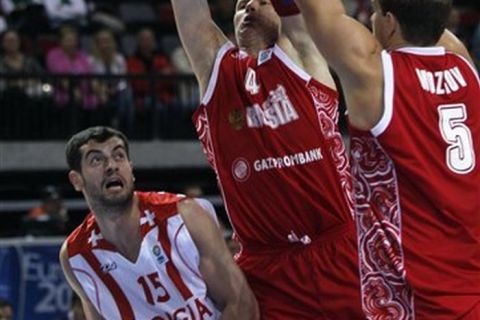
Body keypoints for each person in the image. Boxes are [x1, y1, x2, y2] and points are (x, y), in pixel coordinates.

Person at [171, 0, 363, 318]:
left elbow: (307, 15)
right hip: (267, 268)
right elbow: (190, 12)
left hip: (341, 247)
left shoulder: (303, 57)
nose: (250, 8)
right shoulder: (216, 70)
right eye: (241, 5)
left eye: (261, 2)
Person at [294, 0, 480, 318]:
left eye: (377, 14)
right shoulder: (465, 67)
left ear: (390, 23)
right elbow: (429, 18)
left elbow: (323, 11)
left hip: (418, 298)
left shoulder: (376, 75)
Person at [59, 126, 258, 319]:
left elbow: (241, 304)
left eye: (119, 156)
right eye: (96, 160)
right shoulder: (75, 256)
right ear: (77, 180)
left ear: (131, 168)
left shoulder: (185, 215)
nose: (111, 166)